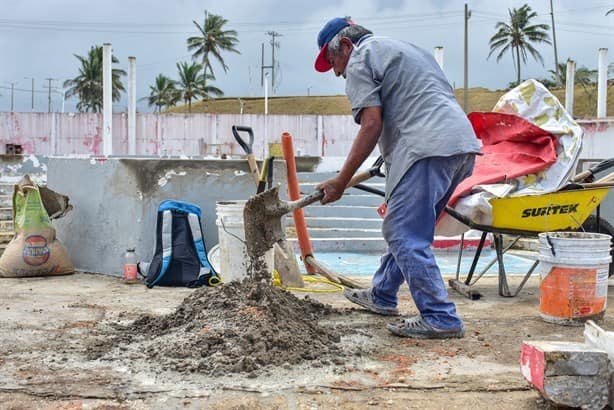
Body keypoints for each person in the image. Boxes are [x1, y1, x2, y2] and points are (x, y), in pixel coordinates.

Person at [314, 17, 481, 339]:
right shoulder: (408, 50)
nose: (337, 72)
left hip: (425, 149)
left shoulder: (361, 58)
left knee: (403, 232)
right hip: (460, 147)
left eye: (334, 61)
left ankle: (440, 317)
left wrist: (340, 180)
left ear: (346, 45)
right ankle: (382, 294)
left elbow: (371, 124)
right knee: (408, 228)